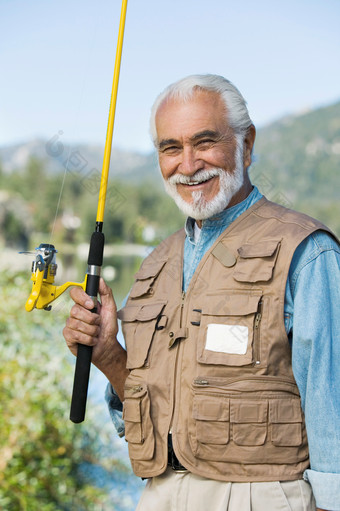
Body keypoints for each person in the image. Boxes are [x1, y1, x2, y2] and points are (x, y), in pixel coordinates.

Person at [63, 75, 340, 511]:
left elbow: (333, 412)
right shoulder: (156, 264)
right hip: (159, 495)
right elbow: (140, 417)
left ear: (246, 145)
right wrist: (108, 354)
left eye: (205, 142)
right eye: (170, 148)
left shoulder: (307, 252)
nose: (188, 165)